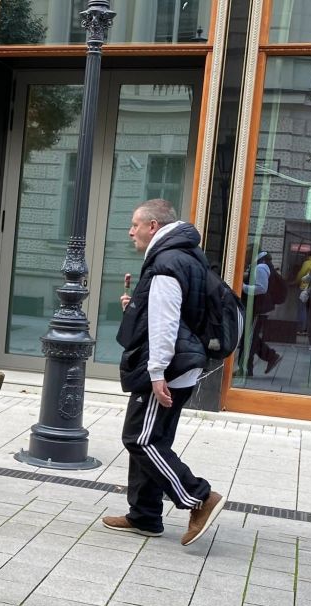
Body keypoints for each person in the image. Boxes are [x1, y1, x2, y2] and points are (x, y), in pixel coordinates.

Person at [103, 199, 225, 545]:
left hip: (166, 369)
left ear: (153, 226)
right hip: (182, 365)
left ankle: (199, 497)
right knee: (154, 438)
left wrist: (156, 373)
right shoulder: (187, 255)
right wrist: (136, 307)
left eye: (135, 225)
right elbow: (176, 312)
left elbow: (166, 323)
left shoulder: (166, 263)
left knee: (140, 439)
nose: (131, 232)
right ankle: (144, 515)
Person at [240, 250, 282, 376]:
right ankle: (271, 356)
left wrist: (242, 286)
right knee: (249, 337)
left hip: (258, 309)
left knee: (248, 339)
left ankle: (245, 369)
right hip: (259, 308)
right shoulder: (263, 264)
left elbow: (261, 288)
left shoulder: (261, 267)